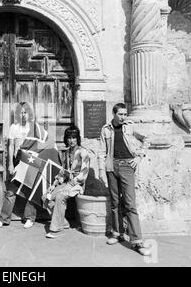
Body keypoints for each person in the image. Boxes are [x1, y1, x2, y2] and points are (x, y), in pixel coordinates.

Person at [98, 103, 151, 256]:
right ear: (113, 114)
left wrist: (139, 157)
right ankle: (117, 233)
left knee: (130, 204)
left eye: (125, 114)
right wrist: (102, 170)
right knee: (114, 202)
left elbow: (146, 139)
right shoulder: (106, 129)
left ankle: (137, 241)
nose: (123, 117)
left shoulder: (130, 126)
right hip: (111, 167)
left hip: (128, 166)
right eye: (121, 114)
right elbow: (101, 151)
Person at [0, 102, 47, 229]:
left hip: (31, 161)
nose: (23, 115)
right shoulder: (14, 127)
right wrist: (11, 164)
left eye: (26, 112)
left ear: (29, 114)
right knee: (11, 190)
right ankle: (4, 218)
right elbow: (11, 146)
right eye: (21, 112)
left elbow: (43, 143)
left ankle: (29, 218)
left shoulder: (35, 128)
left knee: (31, 190)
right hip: (18, 161)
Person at [44, 125, 89, 238]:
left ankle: (56, 229)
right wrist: (54, 185)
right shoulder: (66, 152)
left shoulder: (83, 152)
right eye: (69, 138)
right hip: (66, 183)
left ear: (77, 138)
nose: (71, 140)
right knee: (46, 197)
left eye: (74, 137)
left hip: (77, 185)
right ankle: (63, 222)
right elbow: (63, 172)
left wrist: (71, 183)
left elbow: (84, 174)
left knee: (60, 196)